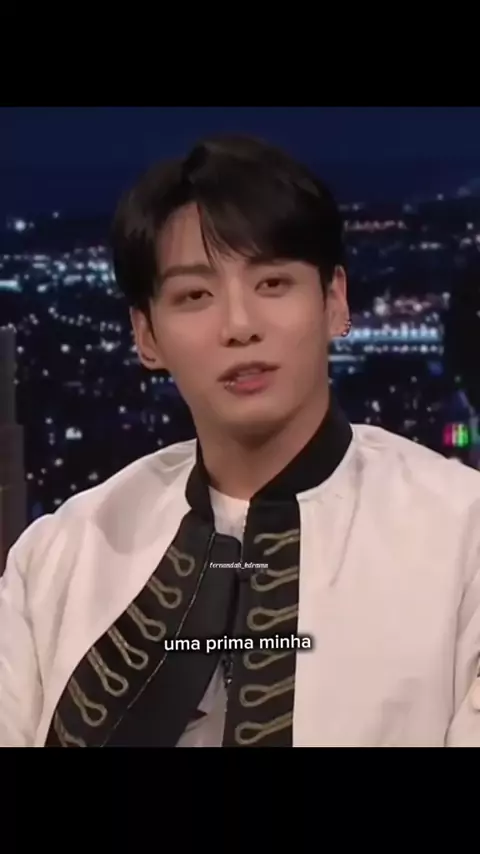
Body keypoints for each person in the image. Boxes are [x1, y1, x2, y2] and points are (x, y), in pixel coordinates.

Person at [1, 135, 480, 748]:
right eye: (194, 295)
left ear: (335, 301)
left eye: (273, 283)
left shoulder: (463, 537)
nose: (239, 325)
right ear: (146, 335)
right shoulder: (61, 555)